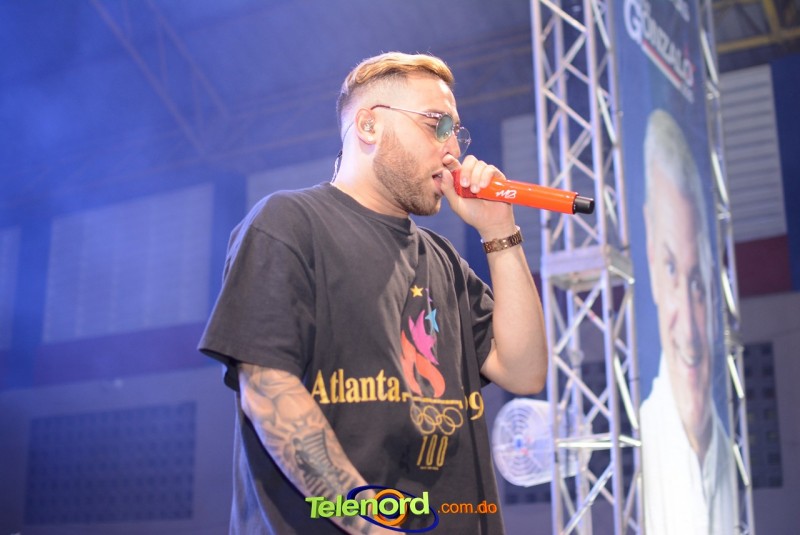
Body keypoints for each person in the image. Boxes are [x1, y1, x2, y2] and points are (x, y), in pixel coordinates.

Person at [198, 51, 548, 534]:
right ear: (368, 125)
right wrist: (369, 525)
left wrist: (499, 232)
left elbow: (525, 372)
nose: (452, 149)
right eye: (437, 125)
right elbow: (268, 390)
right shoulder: (288, 223)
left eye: (456, 132)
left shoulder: (444, 261)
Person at [639, 109, 736, 535]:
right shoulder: (640, 442)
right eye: (672, 268)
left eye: (698, 281)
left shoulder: (727, 451)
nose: (691, 332)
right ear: (649, 254)